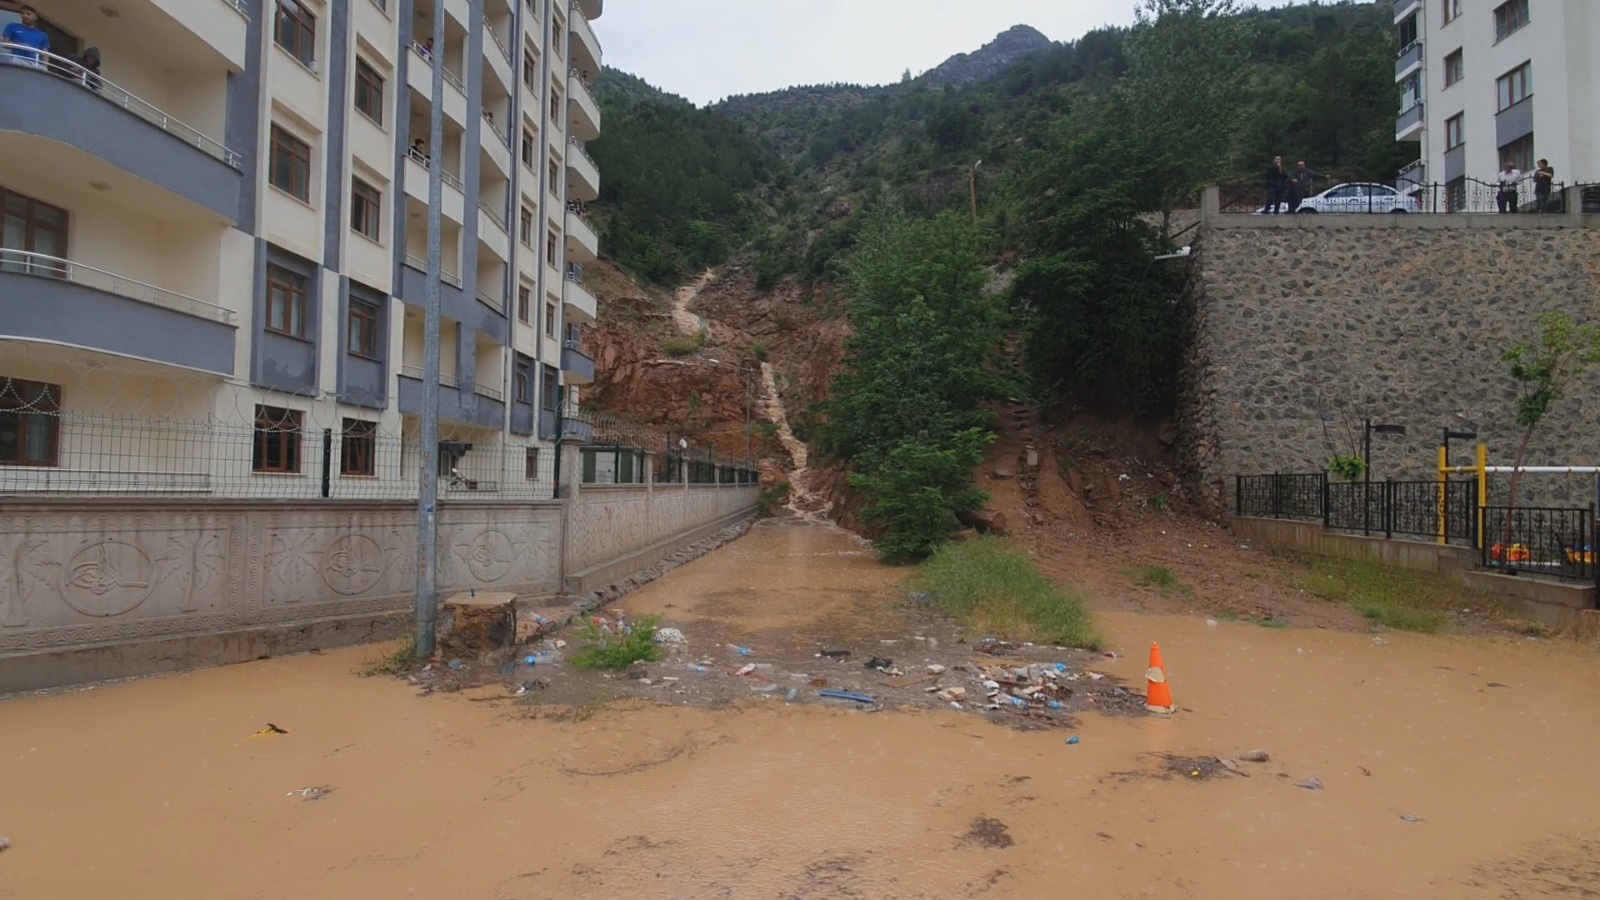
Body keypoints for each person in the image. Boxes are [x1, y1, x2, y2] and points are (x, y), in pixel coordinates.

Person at [3, 5, 51, 70]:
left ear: (35, 17)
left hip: (36, 63)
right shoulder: (12, 26)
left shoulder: (43, 35)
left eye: (28, 14)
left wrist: (45, 67)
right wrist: (19, 45)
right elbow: (5, 43)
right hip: (18, 60)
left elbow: (45, 53)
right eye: (22, 13)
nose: (25, 16)